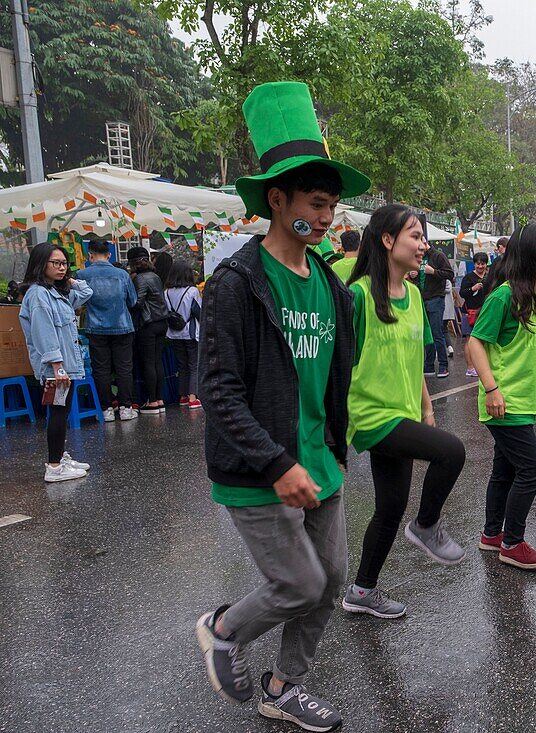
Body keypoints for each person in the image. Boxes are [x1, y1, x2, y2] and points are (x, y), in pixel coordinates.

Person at [195, 81, 369, 733]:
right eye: (315, 204)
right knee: (297, 582)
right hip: (260, 469)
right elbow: (219, 389)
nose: (326, 218)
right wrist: (275, 462)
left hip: (320, 462)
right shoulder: (236, 284)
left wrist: (333, 450)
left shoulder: (332, 287)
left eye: (332, 206)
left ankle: (282, 686)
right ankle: (221, 629)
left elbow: (331, 380)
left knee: (330, 580)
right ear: (277, 199)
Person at [343, 204, 467, 619]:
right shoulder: (356, 293)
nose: (424, 246)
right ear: (386, 239)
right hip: (370, 416)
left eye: (423, 237)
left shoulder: (414, 295)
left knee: (390, 507)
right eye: (415, 236)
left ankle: (362, 591)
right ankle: (427, 525)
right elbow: (335, 364)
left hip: (402, 413)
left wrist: (427, 408)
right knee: (451, 451)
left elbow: (414, 362)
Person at [465, 223, 536, 570]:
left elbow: (530, 342)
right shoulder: (504, 296)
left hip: (523, 401)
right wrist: (492, 389)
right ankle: (512, 542)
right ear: (526, 255)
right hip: (504, 401)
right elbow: (475, 343)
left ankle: (492, 535)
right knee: (533, 470)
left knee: (505, 471)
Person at [19, 243, 93, 482]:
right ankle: (53, 466)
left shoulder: (55, 292)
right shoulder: (40, 295)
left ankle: (59, 456)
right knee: (59, 412)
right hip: (56, 366)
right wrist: (56, 366)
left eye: (64, 264)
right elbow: (44, 333)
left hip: (65, 364)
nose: (62, 268)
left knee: (61, 410)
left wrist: (70, 280)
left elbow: (86, 293)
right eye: (56, 263)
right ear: (41, 264)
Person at [77, 239, 138, 421]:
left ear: (90, 255)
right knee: (124, 368)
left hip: (96, 328)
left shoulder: (82, 274)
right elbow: (133, 301)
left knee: (101, 369)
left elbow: (78, 301)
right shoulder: (122, 274)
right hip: (122, 326)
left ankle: (106, 409)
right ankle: (126, 407)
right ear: (109, 254)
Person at [128, 246, 170, 414]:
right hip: (162, 321)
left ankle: (152, 401)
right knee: (157, 361)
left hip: (148, 323)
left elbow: (137, 302)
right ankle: (159, 399)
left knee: (148, 362)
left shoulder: (140, 279)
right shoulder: (155, 276)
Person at [164, 260, 203, 409]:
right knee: (194, 364)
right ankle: (193, 397)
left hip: (174, 333)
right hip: (191, 332)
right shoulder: (192, 291)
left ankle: (183, 396)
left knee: (182, 366)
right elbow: (199, 311)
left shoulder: (166, 292)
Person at [417, 239, 455, 378]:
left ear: (425, 242)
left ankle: (443, 366)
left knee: (436, 332)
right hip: (422, 298)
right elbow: (419, 278)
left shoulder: (438, 256)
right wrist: (413, 275)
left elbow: (450, 275)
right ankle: (429, 365)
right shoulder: (418, 257)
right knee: (426, 333)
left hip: (435, 298)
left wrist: (434, 272)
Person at [459, 252, 490, 377]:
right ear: (474, 264)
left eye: (483, 264)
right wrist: (473, 288)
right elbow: (462, 293)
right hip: (470, 312)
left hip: (485, 312)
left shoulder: (489, 277)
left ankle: (483, 366)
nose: (480, 266)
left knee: (483, 339)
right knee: (469, 339)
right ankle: (470, 367)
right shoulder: (468, 278)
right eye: (478, 264)